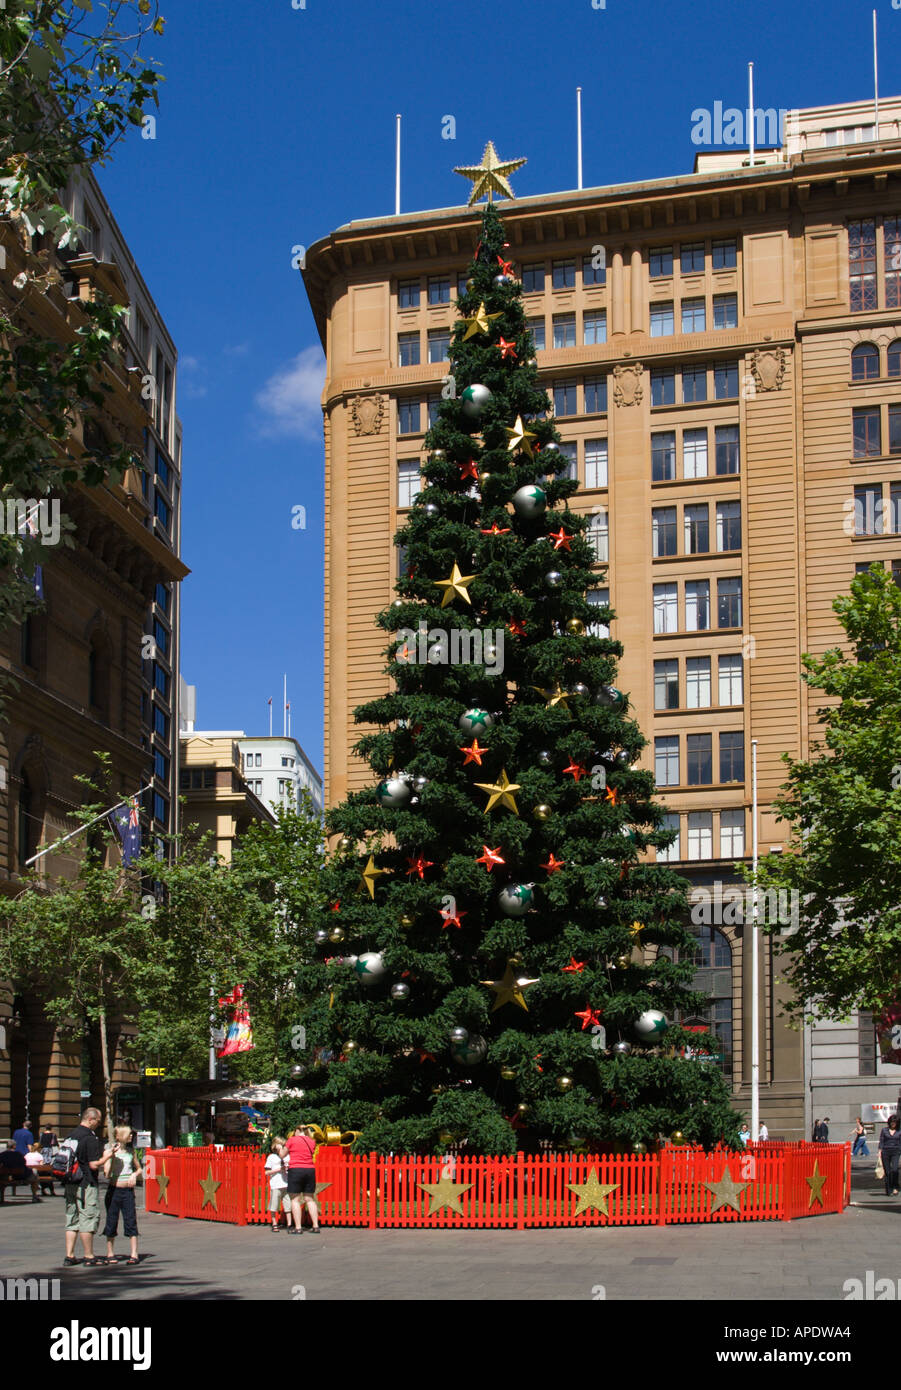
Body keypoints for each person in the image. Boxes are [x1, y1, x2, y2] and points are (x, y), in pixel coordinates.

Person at [62, 1107, 106, 1267]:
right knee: (87, 1218)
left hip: (69, 1183)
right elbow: (94, 1165)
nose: (99, 1124)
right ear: (90, 1119)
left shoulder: (71, 1135)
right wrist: (107, 1156)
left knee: (71, 1218)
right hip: (86, 1183)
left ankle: (69, 1255)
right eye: (98, 1121)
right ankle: (89, 1256)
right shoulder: (90, 1138)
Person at [101, 1125, 140, 1264]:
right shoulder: (110, 1151)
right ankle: (110, 1253)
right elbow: (107, 1174)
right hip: (114, 1190)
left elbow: (139, 1168)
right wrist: (111, 1157)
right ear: (120, 1136)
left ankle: (134, 1253)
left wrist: (134, 1175)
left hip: (127, 1191)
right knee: (111, 1220)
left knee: (130, 1219)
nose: (131, 1136)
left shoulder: (131, 1151)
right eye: (129, 1134)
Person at [276, 1126, 321, 1234]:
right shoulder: (311, 1141)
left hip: (296, 1170)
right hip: (310, 1170)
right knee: (309, 1199)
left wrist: (279, 1148)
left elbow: (282, 1155)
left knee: (295, 1200)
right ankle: (315, 1226)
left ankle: (298, 1227)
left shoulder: (291, 1140)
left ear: (297, 1131)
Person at [265, 1137, 293, 1232]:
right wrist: (278, 1170)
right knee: (274, 1204)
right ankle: (274, 1222)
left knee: (288, 1205)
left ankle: (289, 1224)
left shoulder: (287, 1156)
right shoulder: (271, 1157)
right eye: (281, 1145)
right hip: (276, 1184)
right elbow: (267, 1172)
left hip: (286, 1183)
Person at [878, 1113, 901, 1197]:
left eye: (895, 1122)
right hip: (886, 1152)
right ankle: (889, 1189)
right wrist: (880, 1151)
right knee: (887, 1171)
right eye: (892, 1122)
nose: (893, 1124)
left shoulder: (899, 1131)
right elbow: (882, 1140)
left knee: (894, 1169)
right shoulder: (884, 1130)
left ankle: (895, 1187)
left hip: (896, 1152)